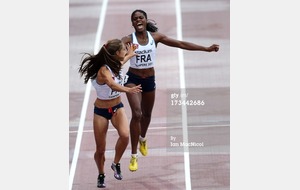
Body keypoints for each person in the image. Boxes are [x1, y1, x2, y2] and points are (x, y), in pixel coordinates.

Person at [121, 9, 220, 172]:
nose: (138, 20)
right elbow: (114, 49)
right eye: (135, 19)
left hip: (149, 80)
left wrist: (206, 49)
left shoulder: (156, 38)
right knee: (137, 114)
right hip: (133, 80)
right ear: (132, 23)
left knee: (147, 115)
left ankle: (143, 139)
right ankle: (133, 156)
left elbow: (181, 44)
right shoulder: (127, 40)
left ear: (145, 20)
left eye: (141, 17)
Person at [78, 39, 142, 188]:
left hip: (117, 107)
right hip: (101, 111)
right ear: (115, 54)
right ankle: (101, 174)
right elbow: (112, 84)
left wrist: (131, 54)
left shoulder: (115, 63)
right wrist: (128, 89)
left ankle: (116, 163)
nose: (125, 52)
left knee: (125, 136)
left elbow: (122, 61)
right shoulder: (103, 71)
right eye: (123, 50)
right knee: (100, 149)